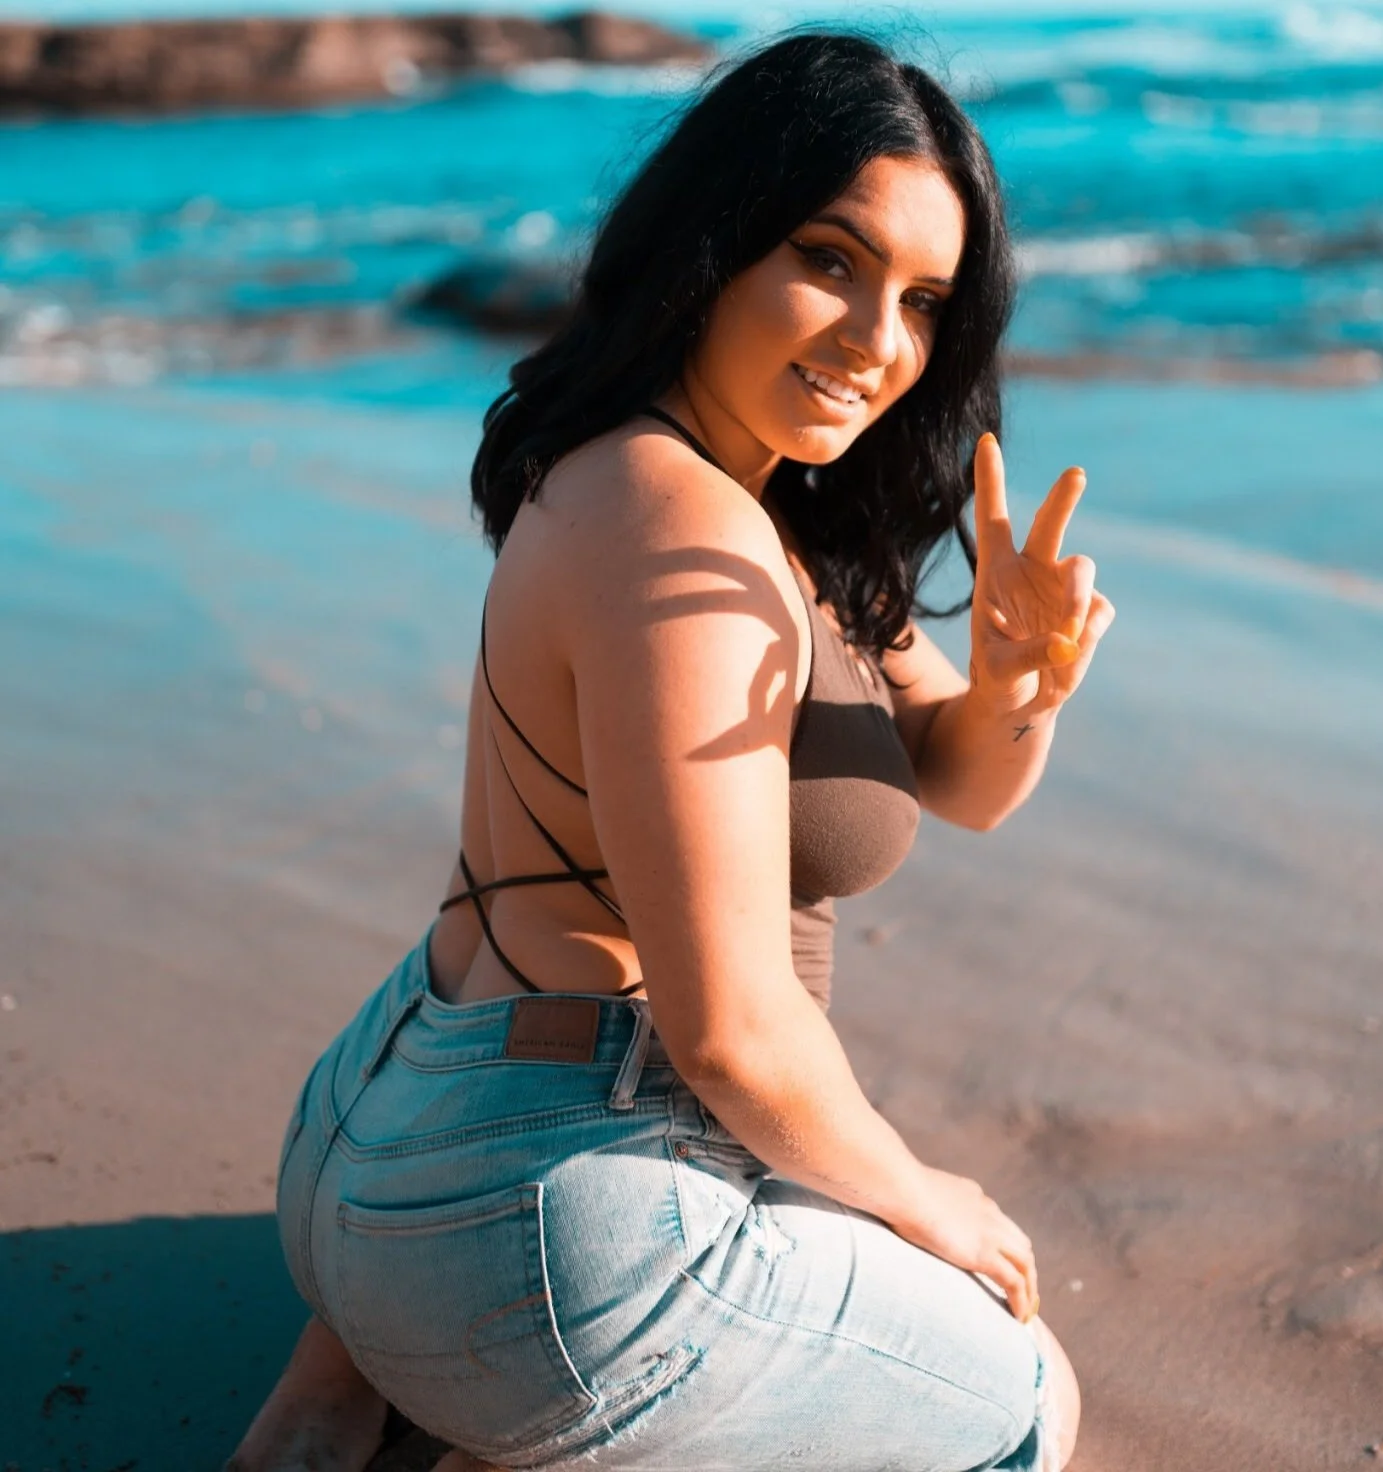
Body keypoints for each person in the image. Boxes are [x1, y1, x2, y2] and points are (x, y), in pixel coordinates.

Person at [229, 29, 1112, 1472]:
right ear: (717, 243)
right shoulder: (685, 538)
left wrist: (1020, 680)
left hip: (384, 1111)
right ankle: (472, 1397)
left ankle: (362, 1373)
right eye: (832, 260)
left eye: (926, 302)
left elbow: (962, 782)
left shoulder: (738, 508)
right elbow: (730, 1035)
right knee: (1027, 1398)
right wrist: (923, 1196)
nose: (879, 342)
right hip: (540, 1192)